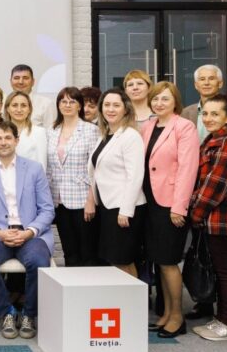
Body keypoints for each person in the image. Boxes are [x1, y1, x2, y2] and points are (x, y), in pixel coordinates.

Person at [0, 121, 55, 340]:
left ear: (16, 140)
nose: (3, 142)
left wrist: (30, 231)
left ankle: (29, 315)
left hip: (30, 234)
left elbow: (47, 209)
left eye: (8, 137)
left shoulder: (34, 169)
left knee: (39, 262)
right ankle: (7, 312)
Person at [141, 82, 199, 338]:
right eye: (155, 99)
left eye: (164, 99)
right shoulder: (148, 126)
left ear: (175, 101)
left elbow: (188, 169)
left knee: (169, 261)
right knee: (158, 260)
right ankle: (165, 314)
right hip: (150, 202)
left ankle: (178, 316)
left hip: (170, 204)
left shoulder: (184, 127)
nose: (159, 103)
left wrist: (179, 206)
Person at [188, 94, 227, 342]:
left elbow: (216, 185)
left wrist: (196, 213)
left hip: (220, 218)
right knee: (219, 270)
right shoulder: (213, 139)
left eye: (215, 114)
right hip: (210, 217)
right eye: (205, 114)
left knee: (226, 272)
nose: (209, 118)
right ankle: (221, 318)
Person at [87, 88, 146, 277]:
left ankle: (134, 304)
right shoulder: (105, 136)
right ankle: (124, 304)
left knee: (123, 260)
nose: (110, 109)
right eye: (106, 105)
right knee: (114, 259)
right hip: (107, 206)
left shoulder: (130, 136)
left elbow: (135, 176)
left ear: (125, 110)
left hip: (124, 209)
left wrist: (126, 211)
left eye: (116, 105)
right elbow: (96, 173)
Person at [46, 87, 101, 267]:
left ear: (80, 106)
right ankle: (71, 292)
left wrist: (91, 200)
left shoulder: (91, 130)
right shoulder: (52, 131)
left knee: (87, 251)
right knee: (69, 251)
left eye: (72, 101)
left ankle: (88, 292)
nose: (67, 105)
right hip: (59, 200)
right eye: (63, 101)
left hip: (83, 199)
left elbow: (95, 168)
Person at [181, 65, 227, 138]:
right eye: (202, 79)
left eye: (211, 78)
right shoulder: (185, 113)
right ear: (196, 85)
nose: (206, 83)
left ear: (220, 83)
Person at [3, 91, 46, 169]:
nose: (19, 110)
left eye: (23, 105)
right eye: (14, 105)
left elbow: (42, 165)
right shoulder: (0, 132)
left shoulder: (39, 132)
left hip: (31, 180)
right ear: (7, 109)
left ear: (29, 109)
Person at [10, 64, 55, 129]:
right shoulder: (4, 104)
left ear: (33, 82)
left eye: (25, 78)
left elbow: (51, 133)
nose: (20, 82)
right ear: (10, 81)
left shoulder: (46, 104)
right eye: (16, 78)